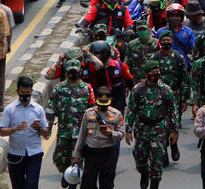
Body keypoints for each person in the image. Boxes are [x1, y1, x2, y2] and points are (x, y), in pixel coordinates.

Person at [125, 60, 178, 189]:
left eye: (157, 72)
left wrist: (174, 130)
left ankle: (154, 183)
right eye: (152, 73)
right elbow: (131, 110)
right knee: (139, 156)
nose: (155, 75)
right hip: (142, 127)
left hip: (158, 127)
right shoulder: (137, 90)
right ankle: (144, 172)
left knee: (157, 158)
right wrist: (128, 130)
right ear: (145, 74)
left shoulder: (165, 90)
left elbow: (172, 111)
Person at [46, 59, 95, 187]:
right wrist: (48, 128)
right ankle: (65, 173)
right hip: (64, 130)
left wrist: (91, 131)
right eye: (70, 72)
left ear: (80, 72)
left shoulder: (87, 89)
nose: (73, 74)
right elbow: (51, 109)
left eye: (75, 71)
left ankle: (73, 180)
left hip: (80, 133)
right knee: (60, 159)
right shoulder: (59, 88)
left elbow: (92, 112)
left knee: (77, 160)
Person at [0, 76, 50, 189]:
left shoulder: (38, 109)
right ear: (17, 91)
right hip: (15, 154)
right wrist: (15, 129)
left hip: (34, 153)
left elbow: (46, 132)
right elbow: (2, 131)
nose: (25, 96)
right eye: (22, 93)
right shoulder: (10, 109)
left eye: (28, 93)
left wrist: (38, 128)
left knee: (31, 185)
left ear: (31, 91)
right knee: (18, 186)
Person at [73, 85, 125, 189]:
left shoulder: (117, 114)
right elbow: (82, 134)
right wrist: (76, 154)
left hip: (108, 153)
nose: (103, 106)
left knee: (107, 184)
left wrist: (111, 133)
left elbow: (121, 134)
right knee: (87, 184)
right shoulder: (88, 113)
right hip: (91, 153)